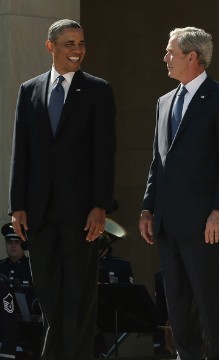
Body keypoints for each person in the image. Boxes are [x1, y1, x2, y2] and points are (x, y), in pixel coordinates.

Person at [8, 19, 116, 360]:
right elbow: (20, 152)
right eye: (69, 43)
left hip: (82, 214)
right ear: (50, 46)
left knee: (80, 296)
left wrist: (100, 205)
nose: (77, 50)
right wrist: (17, 206)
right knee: (50, 294)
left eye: (81, 43)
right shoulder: (29, 90)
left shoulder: (98, 89)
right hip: (38, 213)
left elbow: (105, 152)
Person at [139, 26, 219, 360]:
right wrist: (147, 208)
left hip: (205, 224)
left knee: (211, 303)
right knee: (178, 305)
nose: (165, 58)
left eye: (171, 52)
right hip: (167, 224)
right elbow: (158, 162)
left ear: (192, 56)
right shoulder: (164, 101)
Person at [0, 223, 36, 359]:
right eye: (9, 242)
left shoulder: (32, 269)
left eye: (17, 242)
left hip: (25, 329)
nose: (13, 246)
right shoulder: (1, 267)